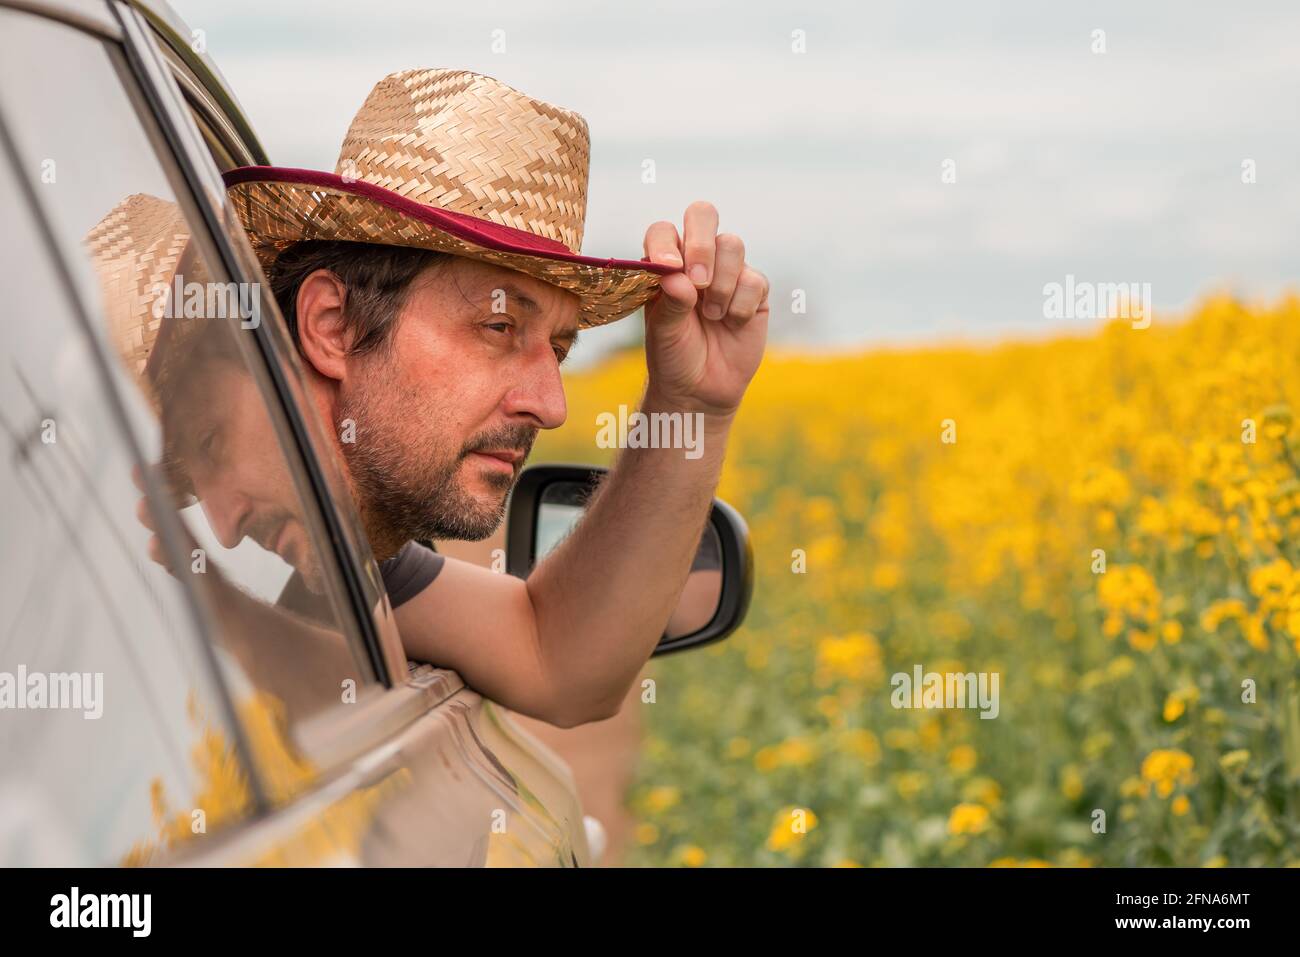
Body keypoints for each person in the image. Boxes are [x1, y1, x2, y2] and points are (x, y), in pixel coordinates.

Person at [136, 68, 768, 729]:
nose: (551, 407)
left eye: (556, 348)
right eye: (499, 327)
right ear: (332, 326)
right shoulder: (272, 526)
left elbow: (561, 664)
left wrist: (693, 402)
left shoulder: (354, 541)